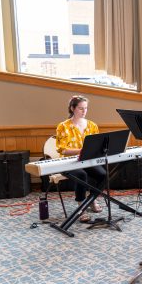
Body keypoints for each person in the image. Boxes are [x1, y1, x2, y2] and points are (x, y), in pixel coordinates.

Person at [56, 95, 106, 223]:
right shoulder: (63, 126)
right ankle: (81, 206)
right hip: (69, 162)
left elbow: (97, 145)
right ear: (72, 108)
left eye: (86, 108)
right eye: (80, 108)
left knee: (103, 175)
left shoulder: (92, 125)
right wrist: (81, 151)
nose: (84, 111)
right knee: (82, 175)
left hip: (87, 160)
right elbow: (62, 150)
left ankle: (92, 199)